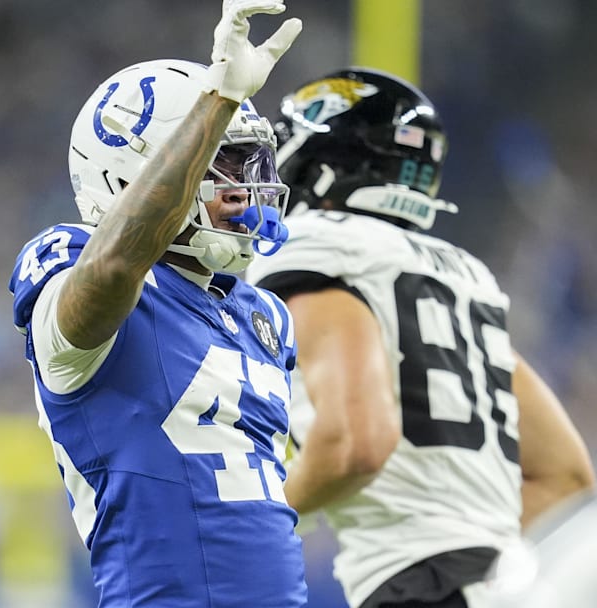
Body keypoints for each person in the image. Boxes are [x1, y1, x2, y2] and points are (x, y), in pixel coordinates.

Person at [244, 67, 596, 608]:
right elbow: (566, 474)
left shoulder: (314, 249)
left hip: (417, 585)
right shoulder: (461, 274)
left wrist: (247, 522)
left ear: (315, 163)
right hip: (515, 582)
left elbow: (355, 445)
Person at [8, 1, 305, 606]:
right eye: (220, 162)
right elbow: (116, 266)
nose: (243, 188)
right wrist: (215, 102)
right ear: (130, 176)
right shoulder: (78, 267)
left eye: (249, 163)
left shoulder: (263, 316)